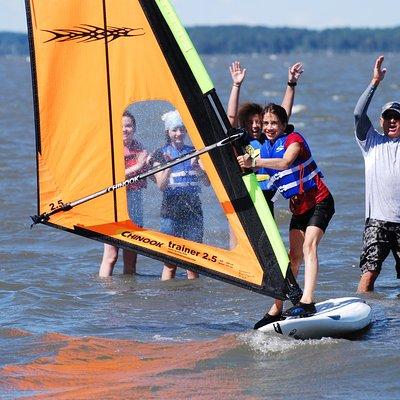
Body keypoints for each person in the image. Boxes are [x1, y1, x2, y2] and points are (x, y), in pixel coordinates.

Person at [237, 103, 335, 327]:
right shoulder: (265, 148)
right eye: (265, 124)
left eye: (274, 123)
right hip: (299, 209)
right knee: (293, 257)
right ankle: (277, 307)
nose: (269, 127)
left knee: (309, 246)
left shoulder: (294, 139)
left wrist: (255, 162)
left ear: (283, 125)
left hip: (320, 202)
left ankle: (307, 301)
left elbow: (285, 162)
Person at [227, 61, 304, 213]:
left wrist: (291, 84)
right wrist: (236, 85)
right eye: (250, 122)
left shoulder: (269, 140)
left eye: (259, 122)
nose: (255, 126)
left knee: (266, 235)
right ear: (244, 124)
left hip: (267, 193)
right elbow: (231, 117)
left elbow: (284, 114)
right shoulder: (241, 139)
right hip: (246, 193)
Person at [354, 55, 400, 292]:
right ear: (381, 121)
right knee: (368, 274)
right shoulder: (370, 141)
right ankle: (363, 312)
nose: (392, 121)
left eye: (397, 118)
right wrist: (374, 83)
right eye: (388, 117)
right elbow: (358, 115)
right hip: (377, 221)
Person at [152, 110, 210, 280]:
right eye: (174, 130)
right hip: (170, 211)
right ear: (167, 132)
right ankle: (168, 300)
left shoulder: (194, 151)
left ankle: (193, 301)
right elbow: (161, 186)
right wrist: (169, 166)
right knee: (170, 264)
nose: (179, 134)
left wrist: (198, 169)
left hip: (193, 210)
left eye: (182, 129)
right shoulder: (159, 154)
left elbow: (207, 182)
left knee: (193, 262)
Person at [99, 110, 148, 277]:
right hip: (114, 206)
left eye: (128, 126)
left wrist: (151, 163)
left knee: (131, 259)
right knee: (111, 256)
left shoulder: (139, 147)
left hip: (135, 204)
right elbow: (113, 176)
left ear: (134, 128)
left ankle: (129, 295)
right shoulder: (111, 148)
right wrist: (138, 166)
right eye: (121, 126)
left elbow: (146, 172)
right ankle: (105, 293)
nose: (125, 129)